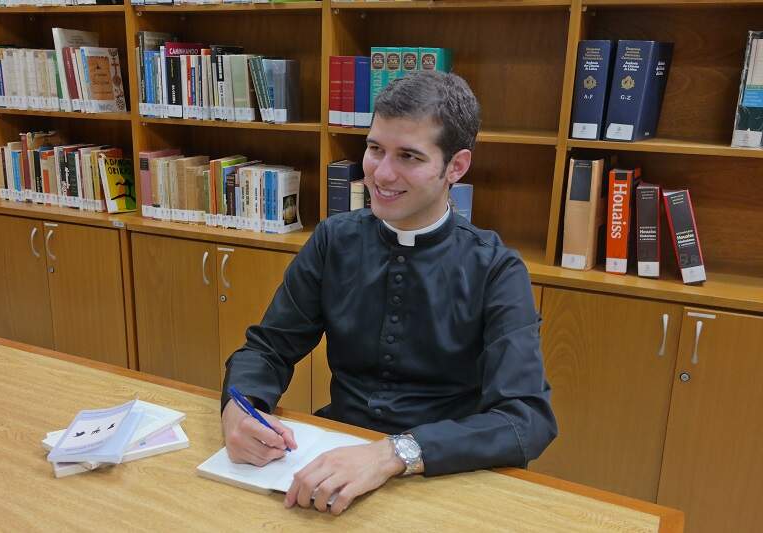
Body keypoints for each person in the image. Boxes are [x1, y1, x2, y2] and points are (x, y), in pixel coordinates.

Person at [220, 70, 557, 515]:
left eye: (409, 157)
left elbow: (525, 420)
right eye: (375, 149)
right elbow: (267, 348)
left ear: (456, 167)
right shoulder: (334, 240)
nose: (381, 173)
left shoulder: (496, 269)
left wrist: (391, 454)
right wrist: (240, 407)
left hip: (443, 474)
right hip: (335, 454)